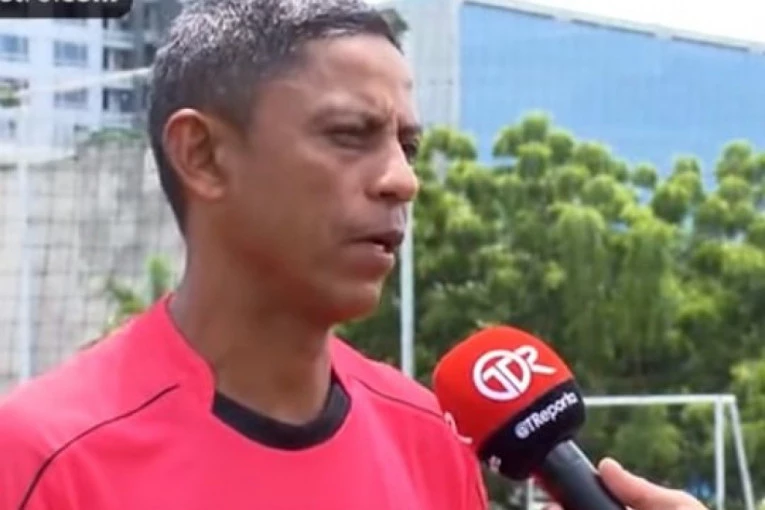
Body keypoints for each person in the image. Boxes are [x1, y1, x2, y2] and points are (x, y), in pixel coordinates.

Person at [0, 1, 715, 510]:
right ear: (204, 155)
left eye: (407, 146)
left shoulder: (429, 440)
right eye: (349, 134)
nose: (402, 179)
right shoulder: (42, 458)